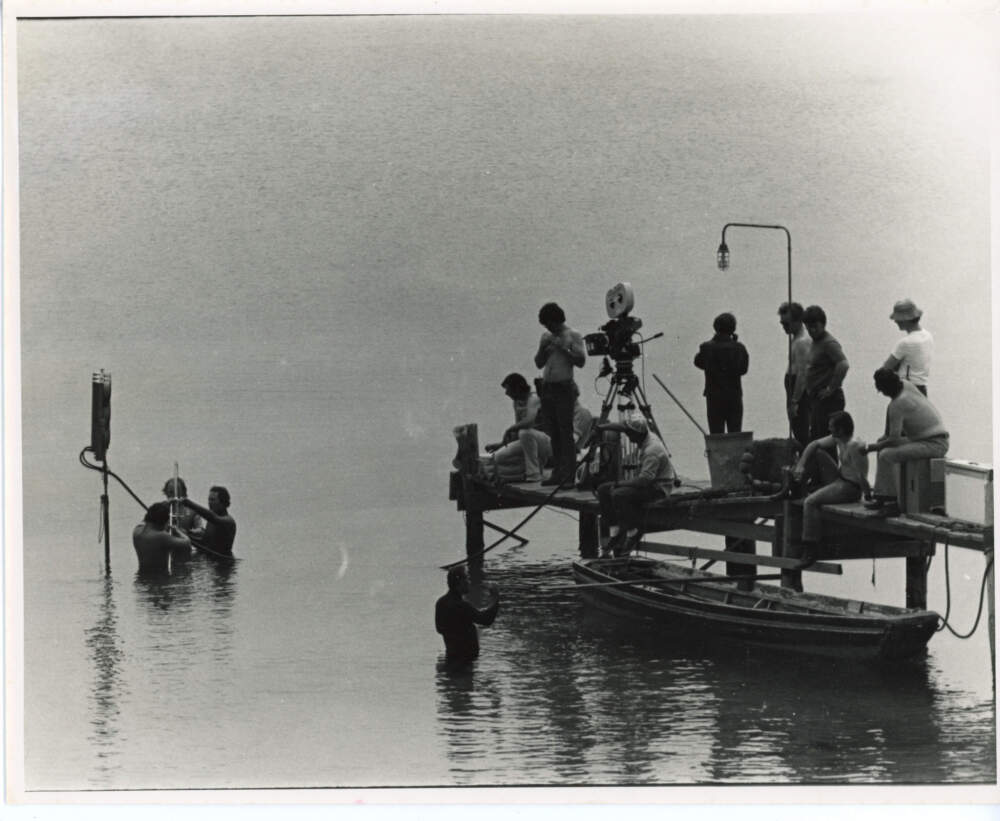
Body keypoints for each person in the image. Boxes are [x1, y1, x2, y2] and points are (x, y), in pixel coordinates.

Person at [866, 369, 949, 514]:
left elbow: (893, 439)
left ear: (887, 389)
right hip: (928, 438)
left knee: (886, 454)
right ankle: (882, 495)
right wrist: (881, 442)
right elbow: (890, 436)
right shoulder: (906, 384)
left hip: (934, 444)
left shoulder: (898, 404)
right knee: (882, 445)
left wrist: (871, 448)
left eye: (882, 390)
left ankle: (892, 503)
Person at [791, 411, 870, 557]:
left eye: (832, 427)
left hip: (850, 488)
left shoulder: (855, 446)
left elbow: (861, 476)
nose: (830, 430)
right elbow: (814, 444)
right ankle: (796, 485)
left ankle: (810, 547)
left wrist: (869, 496)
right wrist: (801, 465)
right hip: (839, 478)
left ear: (840, 429)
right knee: (817, 452)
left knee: (810, 502)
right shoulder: (839, 439)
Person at [595, 417, 676, 557]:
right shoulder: (644, 435)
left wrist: (619, 483)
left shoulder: (652, 450)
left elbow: (644, 481)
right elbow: (621, 427)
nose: (627, 436)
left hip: (658, 487)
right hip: (649, 481)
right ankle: (615, 531)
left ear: (638, 434)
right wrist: (602, 427)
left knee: (619, 494)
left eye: (629, 434)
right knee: (603, 489)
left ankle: (633, 531)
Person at [534, 302, 586, 486]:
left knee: (566, 432)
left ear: (557, 320)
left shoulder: (573, 335)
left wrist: (564, 348)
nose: (548, 328)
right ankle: (557, 473)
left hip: (564, 387)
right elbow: (538, 363)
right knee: (553, 432)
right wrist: (544, 348)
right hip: (547, 387)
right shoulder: (546, 336)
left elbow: (581, 361)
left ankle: (569, 475)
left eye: (550, 324)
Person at [486, 373, 552, 482]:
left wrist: (510, 429)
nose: (506, 393)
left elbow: (529, 421)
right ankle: (525, 472)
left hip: (546, 443)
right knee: (496, 459)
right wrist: (501, 444)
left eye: (508, 389)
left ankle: (533, 474)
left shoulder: (533, 398)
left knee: (524, 432)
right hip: (527, 442)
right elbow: (518, 433)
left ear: (517, 388)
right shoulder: (516, 403)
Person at [693, 312, 750, 434]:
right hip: (734, 397)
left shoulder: (707, 347)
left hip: (714, 398)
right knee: (735, 435)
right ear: (733, 329)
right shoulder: (739, 348)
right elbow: (744, 369)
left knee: (716, 435)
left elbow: (698, 362)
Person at [434, 565, 500, 666]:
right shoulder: (461, 605)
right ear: (459, 583)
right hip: (465, 659)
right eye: (467, 579)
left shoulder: (441, 603)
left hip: (451, 656)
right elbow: (486, 619)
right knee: (463, 680)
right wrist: (495, 598)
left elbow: (439, 629)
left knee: (452, 680)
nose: (469, 583)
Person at [802, 305, 849, 442]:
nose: (812, 330)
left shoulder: (829, 343)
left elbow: (843, 364)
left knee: (825, 440)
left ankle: (830, 464)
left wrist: (830, 388)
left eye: (815, 326)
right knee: (816, 437)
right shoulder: (815, 342)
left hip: (829, 400)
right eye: (808, 327)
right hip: (817, 399)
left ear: (823, 324)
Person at [882, 298, 933, 397]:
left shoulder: (905, 343)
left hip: (906, 390)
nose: (895, 321)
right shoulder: (928, 336)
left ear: (905, 319)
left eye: (898, 319)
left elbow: (886, 369)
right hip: (922, 389)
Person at [778, 301, 811, 445]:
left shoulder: (802, 342)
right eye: (782, 324)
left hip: (798, 390)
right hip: (791, 385)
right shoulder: (795, 340)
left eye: (787, 323)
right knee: (796, 428)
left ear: (798, 321)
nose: (784, 327)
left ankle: (808, 464)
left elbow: (803, 374)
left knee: (801, 429)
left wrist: (795, 401)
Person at [132, 501, 191, 574]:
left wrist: (164, 504)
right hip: (159, 578)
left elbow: (145, 520)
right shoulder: (161, 536)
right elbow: (187, 542)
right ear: (163, 522)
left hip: (141, 577)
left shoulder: (136, 531)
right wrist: (176, 530)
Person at [181, 485, 237, 556]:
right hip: (209, 561)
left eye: (213, 500)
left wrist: (189, 504)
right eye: (209, 500)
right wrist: (185, 535)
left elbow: (213, 518)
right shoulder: (210, 521)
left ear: (223, 503)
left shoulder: (228, 521)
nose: (209, 503)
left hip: (223, 564)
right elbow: (204, 544)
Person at [162, 477, 201, 562]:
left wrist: (188, 532)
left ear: (183, 492)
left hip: (184, 548)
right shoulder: (160, 508)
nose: (173, 495)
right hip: (165, 548)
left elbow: (200, 530)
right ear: (165, 492)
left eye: (176, 492)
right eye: (170, 492)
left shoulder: (191, 510)